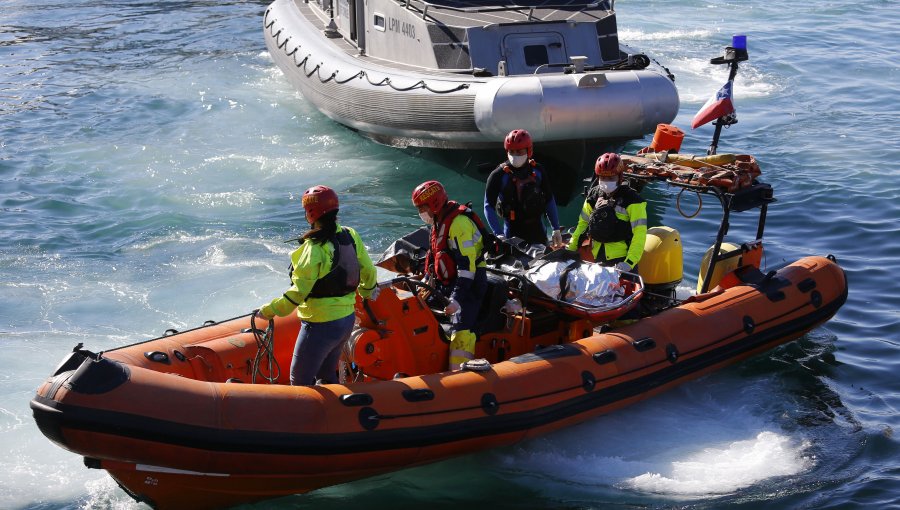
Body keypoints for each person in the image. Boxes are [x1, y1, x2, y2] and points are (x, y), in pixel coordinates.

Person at [255, 185, 377, 386]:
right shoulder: (350, 234)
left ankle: (308, 416)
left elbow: (297, 293)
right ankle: (334, 412)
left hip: (320, 325)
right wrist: (366, 291)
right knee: (327, 376)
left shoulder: (314, 249)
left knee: (300, 379)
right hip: (346, 320)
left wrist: (268, 311)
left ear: (311, 213)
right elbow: (369, 271)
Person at [412, 180, 488, 370]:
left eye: (422, 208)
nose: (420, 213)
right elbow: (436, 257)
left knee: (461, 329)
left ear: (434, 205)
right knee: (419, 310)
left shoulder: (459, 224)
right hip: (448, 281)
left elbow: (467, 269)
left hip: (470, 284)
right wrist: (424, 282)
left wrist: (456, 299)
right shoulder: (439, 222)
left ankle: (459, 375)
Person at [567, 153, 647, 271]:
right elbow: (582, 224)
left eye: (611, 178)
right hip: (598, 256)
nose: (606, 182)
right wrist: (570, 249)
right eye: (602, 178)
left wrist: (629, 262)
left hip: (623, 259)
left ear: (620, 177)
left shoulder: (633, 201)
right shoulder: (593, 195)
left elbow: (639, 235)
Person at [484, 129, 563, 248]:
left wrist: (555, 228)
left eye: (519, 151)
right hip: (512, 235)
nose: (515, 155)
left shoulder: (538, 170)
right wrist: (498, 234)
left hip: (538, 233)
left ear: (528, 151)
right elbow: (488, 206)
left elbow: (549, 200)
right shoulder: (498, 175)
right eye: (511, 151)